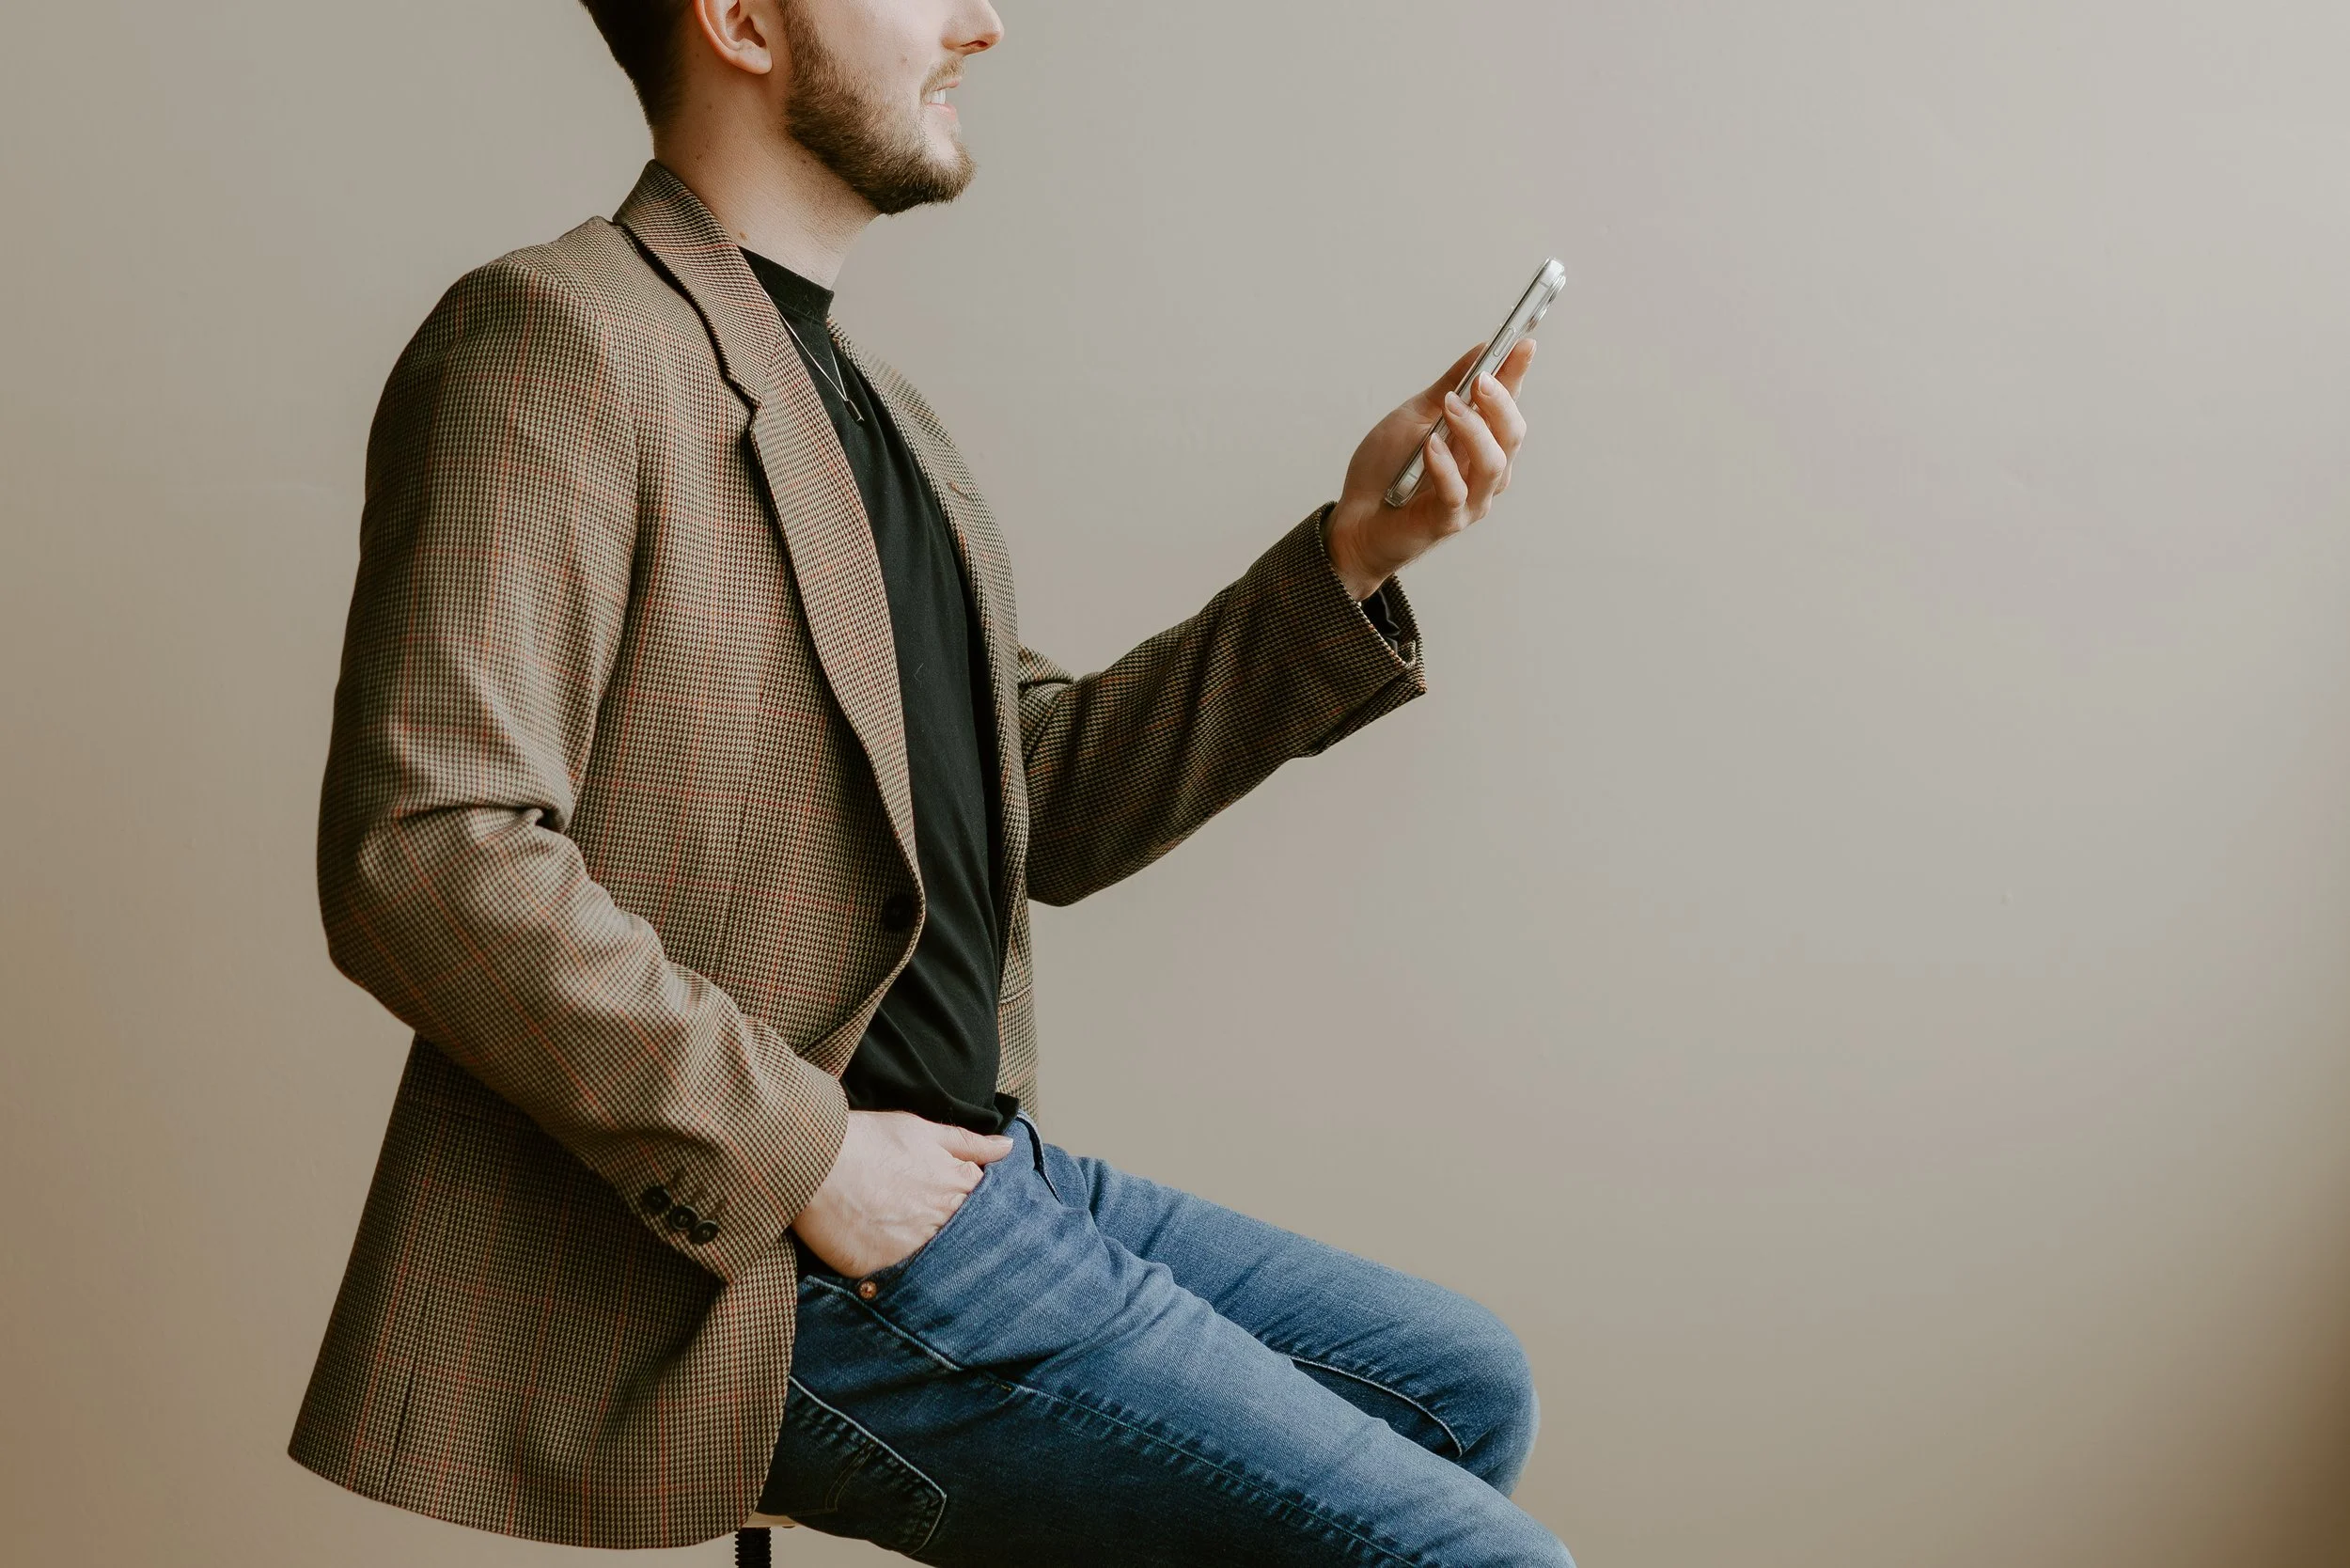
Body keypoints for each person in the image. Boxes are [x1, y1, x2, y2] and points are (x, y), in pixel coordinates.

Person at [285, 0, 1562, 1562]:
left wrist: (1356, 553)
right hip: (777, 1250)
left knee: (1459, 1390)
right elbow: (427, 850)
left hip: (984, 1173)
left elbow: (1051, 800)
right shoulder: (557, 336)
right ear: (743, 22)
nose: (983, 21)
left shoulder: (882, 416)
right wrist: (811, 1157)